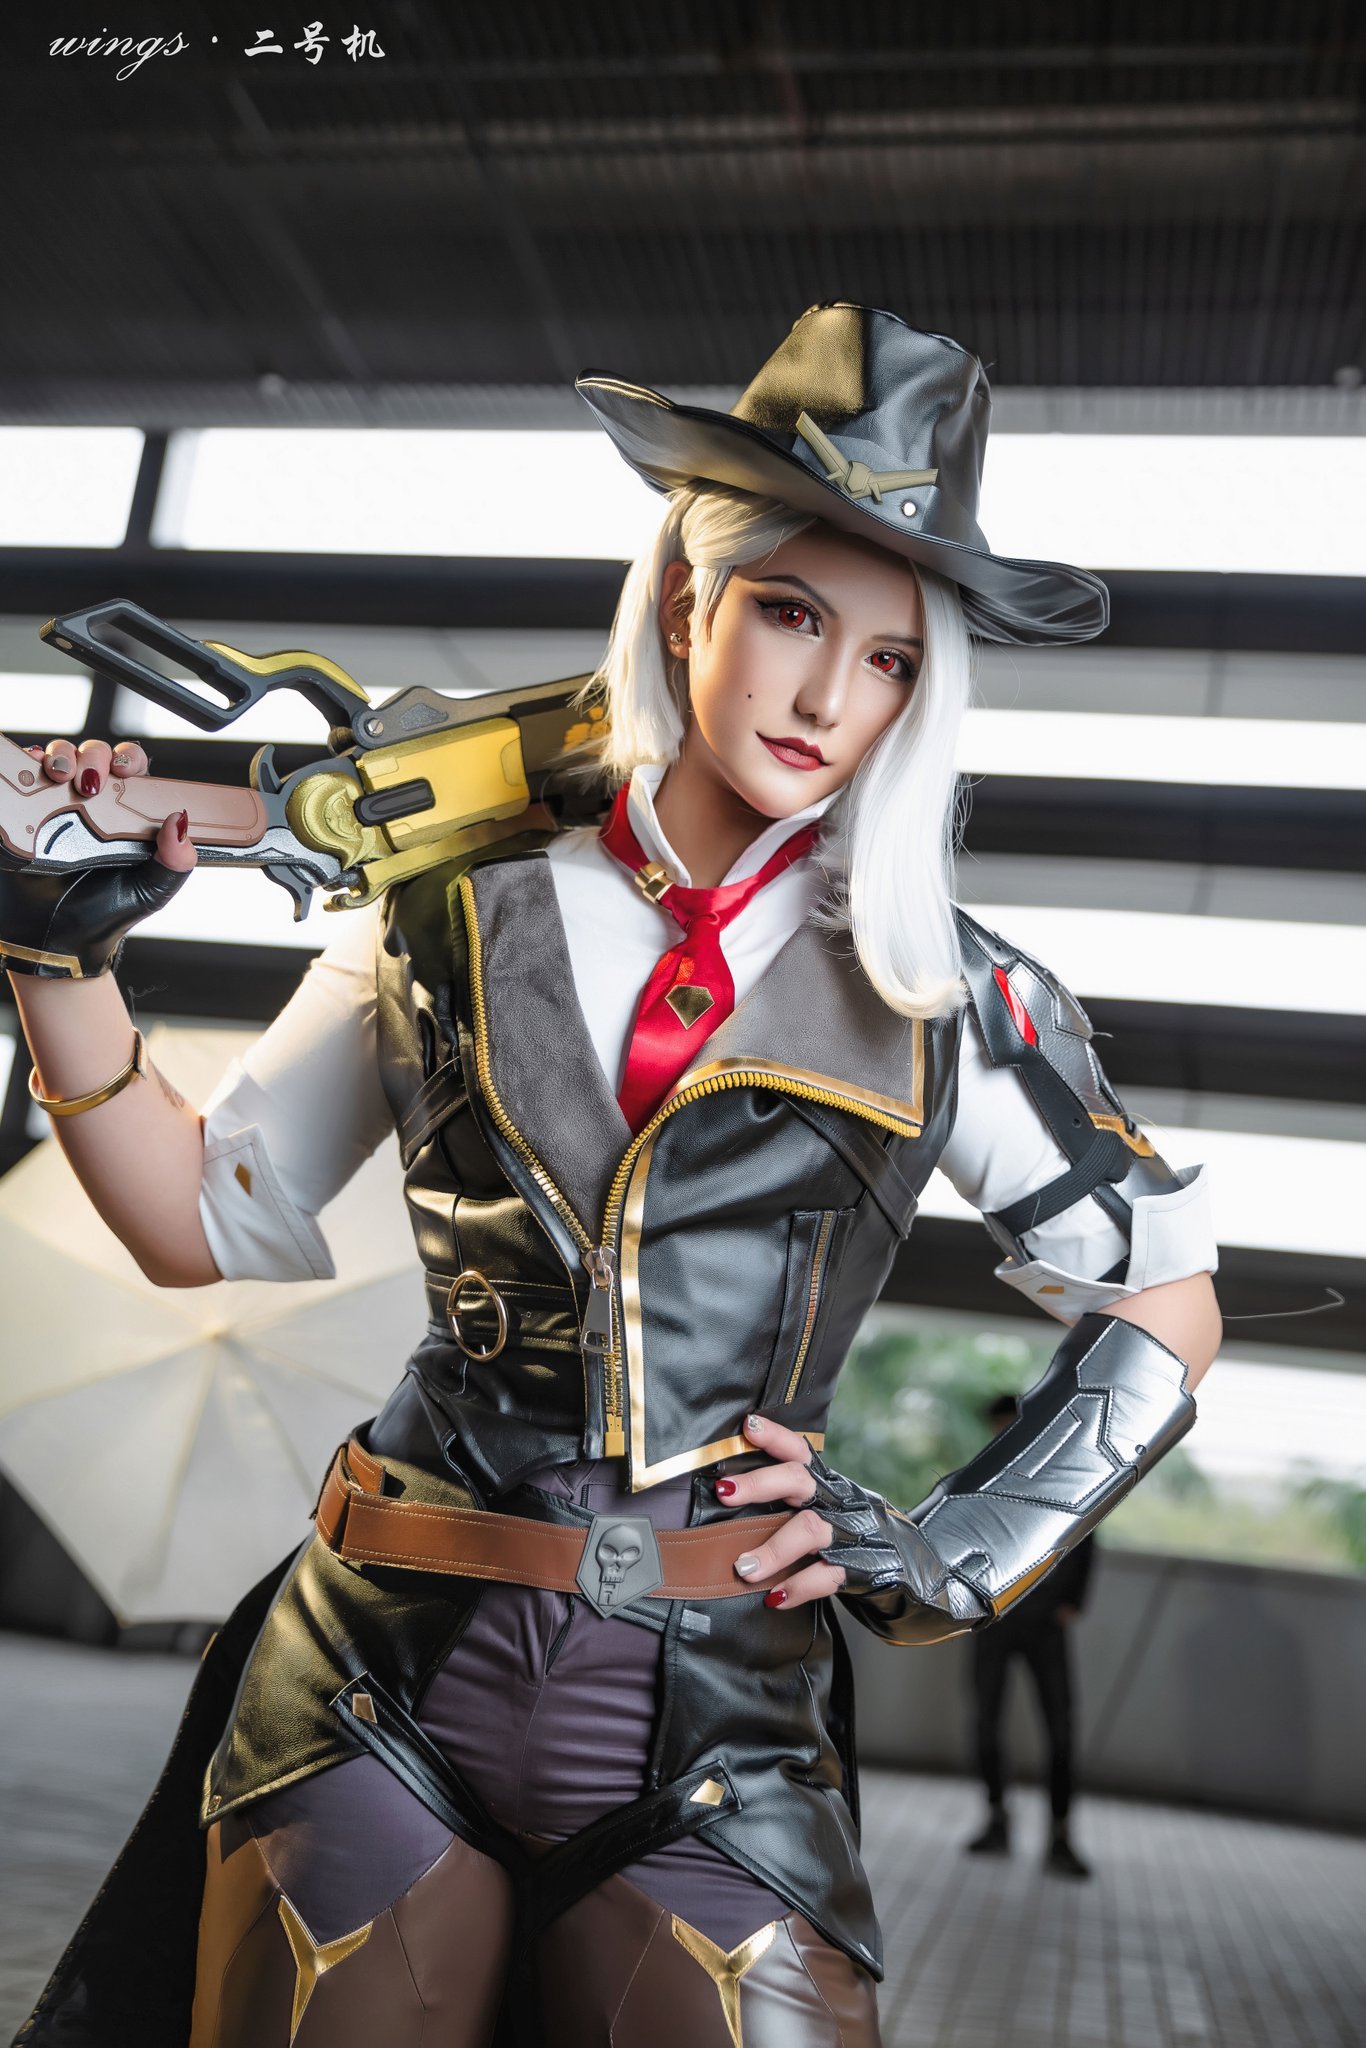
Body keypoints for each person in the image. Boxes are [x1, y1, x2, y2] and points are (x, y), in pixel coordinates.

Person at [5, 304, 1222, 2048]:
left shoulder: (944, 990)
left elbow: (1164, 1295)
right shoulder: (447, 899)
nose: (830, 696)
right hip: (379, 1660)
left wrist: (949, 1548)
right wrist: (53, 958)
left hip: (723, 1710)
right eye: (791, 613)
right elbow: (199, 1220)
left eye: (890, 657)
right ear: (682, 603)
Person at [964, 1393, 1096, 1879]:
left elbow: (1085, 1532)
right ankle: (996, 1820)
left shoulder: (1061, 1472)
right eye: (998, 1428)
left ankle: (1060, 1835)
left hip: (1045, 1624)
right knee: (986, 1723)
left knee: (1060, 1729)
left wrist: (1072, 1601)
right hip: (994, 1620)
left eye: (1010, 1427)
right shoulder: (982, 1477)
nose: (1004, 1436)